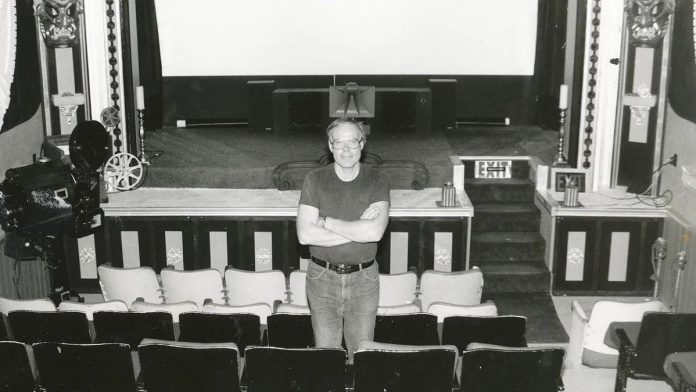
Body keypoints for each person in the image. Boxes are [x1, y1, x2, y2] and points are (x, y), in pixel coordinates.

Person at [296, 117, 390, 361]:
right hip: (321, 278)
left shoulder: (377, 179)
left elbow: (374, 233)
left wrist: (327, 222)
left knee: (362, 356)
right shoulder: (314, 180)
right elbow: (305, 235)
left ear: (362, 144)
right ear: (330, 145)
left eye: (352, 141)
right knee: (326, 358)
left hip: (364, 279)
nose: (346, 149)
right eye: (339, 143)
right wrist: (356, 228)